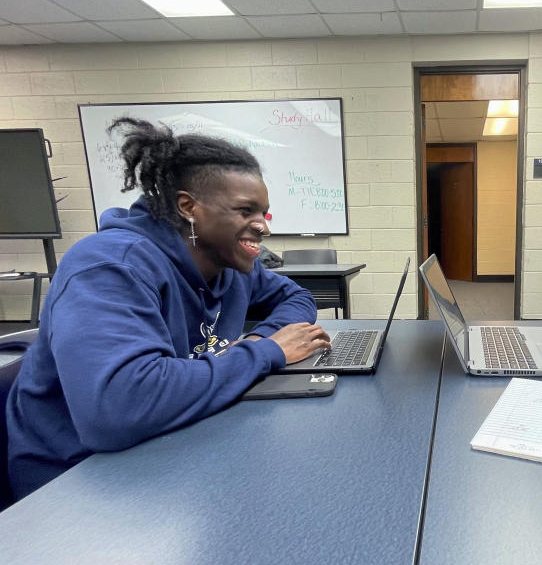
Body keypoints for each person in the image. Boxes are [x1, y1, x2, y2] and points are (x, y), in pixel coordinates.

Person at [6, 118, 331, 499]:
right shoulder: (110, 267)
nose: (263, 226)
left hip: (168, 439)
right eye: (246, 211)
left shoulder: (229, 264)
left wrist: (263, 337)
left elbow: (298, 298)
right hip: (76, 479)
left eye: (264, 212)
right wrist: (265, 352)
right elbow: (118, 409)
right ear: (189, 207)